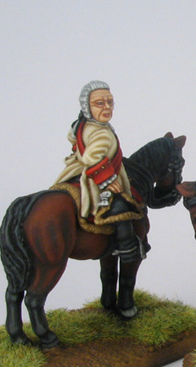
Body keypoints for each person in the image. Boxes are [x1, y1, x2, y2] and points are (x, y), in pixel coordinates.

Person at [54, 80, 143, 262]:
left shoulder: (82, 124)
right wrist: (107, 179)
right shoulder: (102, 133)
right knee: (120, 205)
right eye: (100, 103)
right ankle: (127, 248)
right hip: (94, 177)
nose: (107, 107)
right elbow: (91, 158)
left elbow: (74, 140)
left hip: (76, 170)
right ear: (87, 107)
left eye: (110, 102)